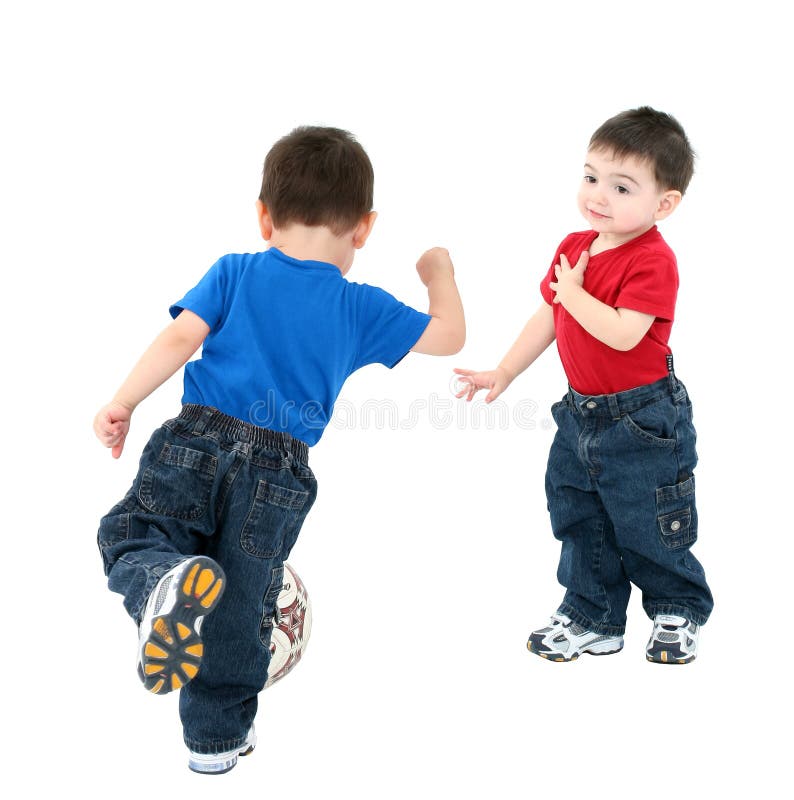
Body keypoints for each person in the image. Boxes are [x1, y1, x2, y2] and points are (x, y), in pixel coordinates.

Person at [94, 126, 465, 773]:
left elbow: (180, 340)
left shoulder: (235, 271)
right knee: (241, 605)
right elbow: (449, 336)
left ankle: (161, 582)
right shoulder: (360, 307)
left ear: (264, 216)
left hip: (195, 438)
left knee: (132, 534)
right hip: (280, 470)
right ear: (364, 229)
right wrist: (440, 272)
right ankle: (214, 745)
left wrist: (122, 401)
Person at [455, 107, 712, 665]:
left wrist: (572, 293)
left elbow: (623, 335)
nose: (598, 194)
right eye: (591, 176)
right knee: (578, 512)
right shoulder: (574, 246)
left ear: (664, 203)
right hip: (580, 414)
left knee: (650, 517)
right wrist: (504, 370)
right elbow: (549, 316)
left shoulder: (653, 260)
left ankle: (677, 608)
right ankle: (592, 614)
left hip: (643, 419)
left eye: (622, 187)